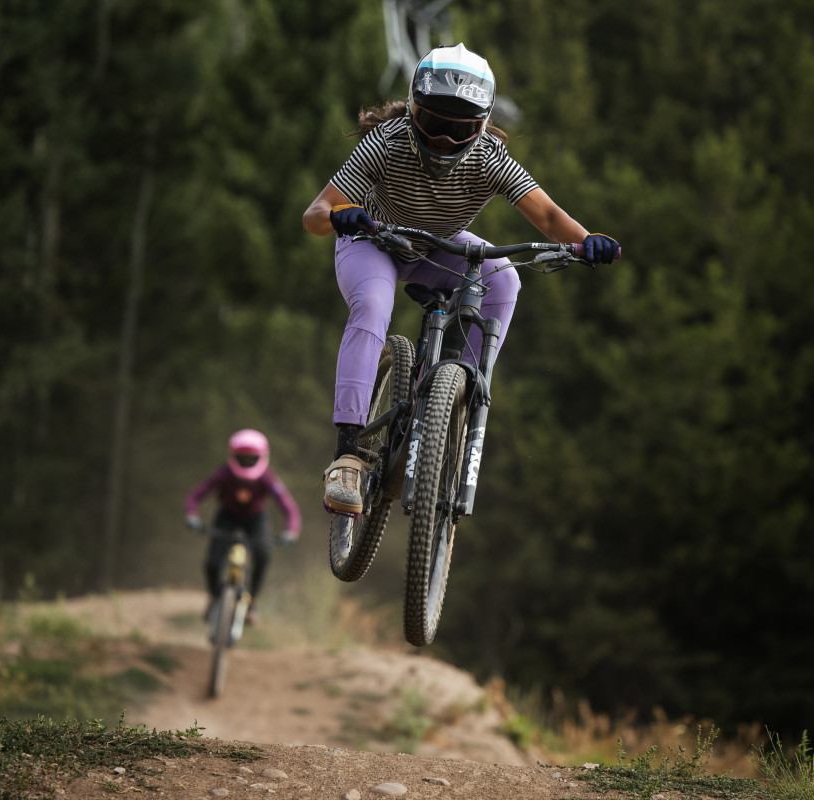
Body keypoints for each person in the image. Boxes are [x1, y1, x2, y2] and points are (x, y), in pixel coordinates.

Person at [301, 43, 620, 517]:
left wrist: (587, 238)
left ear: (484, 126)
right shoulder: (387, 143)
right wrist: (341, 216)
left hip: (437, 249)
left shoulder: (490, 159)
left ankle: (454, 392)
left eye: (462, 129)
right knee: (372, 305)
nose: (447, 142)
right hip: (373, 240)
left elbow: (550, 217)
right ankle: (349, 454)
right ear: (412, 111)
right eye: (435, 125)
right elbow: (315, 214)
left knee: (504, 278)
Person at [183, 428, 302, 624]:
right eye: (242, 458)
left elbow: (288, 506)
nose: (246, 462)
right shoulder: (224, 473)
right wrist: (192, 516)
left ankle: (252, 603)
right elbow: (195, 496)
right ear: (233, 456)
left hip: (256, 518)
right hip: (226, 517)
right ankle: (214, 599)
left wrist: (292, 530)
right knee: (212, 563)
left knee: (263, 556)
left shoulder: (267, 477)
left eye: (251, 458)